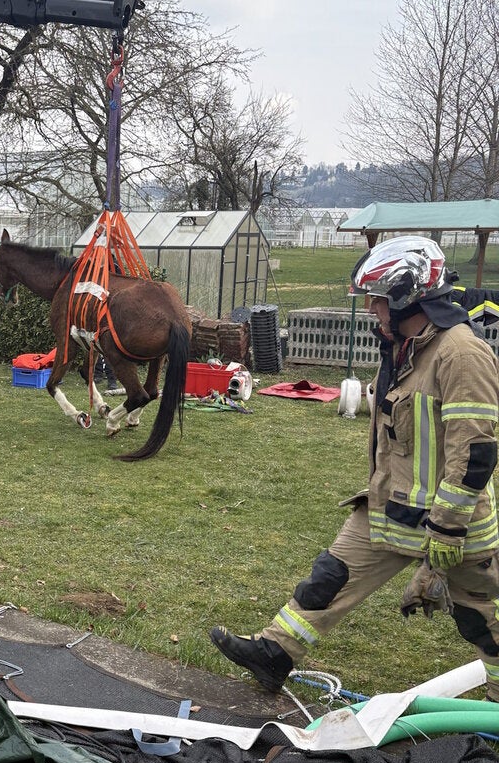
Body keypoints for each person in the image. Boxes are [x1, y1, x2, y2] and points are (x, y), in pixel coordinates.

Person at [210, 235, 499, 701]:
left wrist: (446, 530)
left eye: (379, 300)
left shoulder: (461, 355)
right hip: (389, 509)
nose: (372, 310)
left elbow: (477, 451)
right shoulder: (405, 347)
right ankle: (274, 653)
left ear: (409, 297)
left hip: (452, 528)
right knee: (329, 577)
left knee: (481, 620)